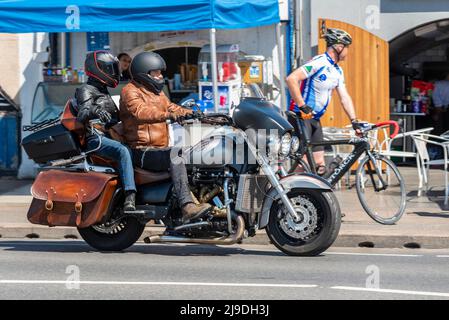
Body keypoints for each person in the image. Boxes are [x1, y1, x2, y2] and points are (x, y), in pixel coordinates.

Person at [119, 51, 211, 224]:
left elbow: (173, 108)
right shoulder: (130, 91)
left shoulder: (157, 93)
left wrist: (197, 114)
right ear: (144, 72)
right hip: (142, 151)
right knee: (175, 155)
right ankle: (187, 207)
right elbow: (141, 112)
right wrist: (169, 115)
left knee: (195, 155)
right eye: (157, 72)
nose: (161, 76)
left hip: (159, 149)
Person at [286, 28, 363, 175]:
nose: (347, 52)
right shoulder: (319, 62)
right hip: (300, 116)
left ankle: (309, 194)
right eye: (347, 48)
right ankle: (284, 190)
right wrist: (302, 105)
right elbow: (291, 79)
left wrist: (354, 121)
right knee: (305, 163)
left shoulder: (337, 71)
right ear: (339, 47)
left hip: (314, 119)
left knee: (319, 165)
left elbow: (344, 97)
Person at [75, 50, 137, 212]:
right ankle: (130, 196)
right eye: (110, 69)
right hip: (94, 137)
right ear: (98, 69)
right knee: (122, 151)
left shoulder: (103, 91)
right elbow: (82, 114)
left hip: (109, 135)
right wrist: (95, 110)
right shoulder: (86, 89)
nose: (114, 73)